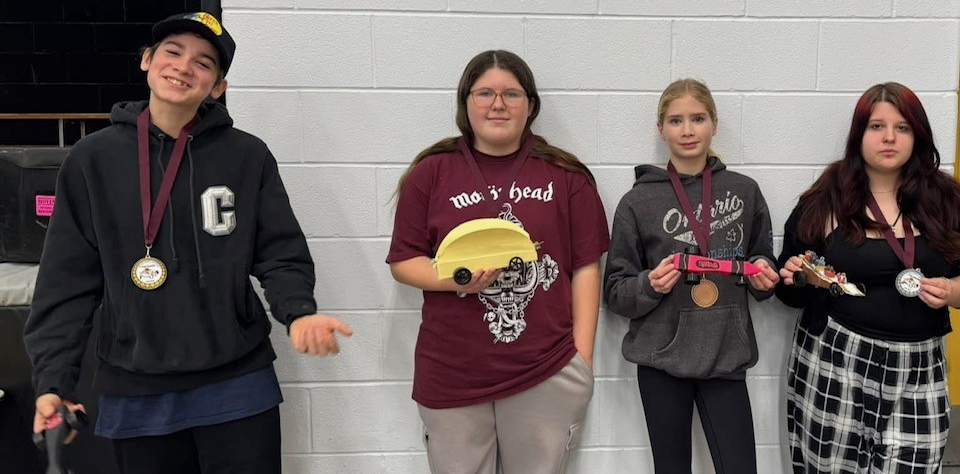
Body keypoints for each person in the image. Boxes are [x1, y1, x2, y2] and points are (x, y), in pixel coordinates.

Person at [24, 12, 351, 474]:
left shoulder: (247, 155)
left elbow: (280, 252)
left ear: (217, 86)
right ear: (146, 61)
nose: (183, 67)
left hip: (236, 379)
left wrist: (297, 311)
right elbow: (66, 282)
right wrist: (52, 381)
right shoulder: (90, 160)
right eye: (172, 52)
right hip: (134, 382)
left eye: (203, 63)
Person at [386, 50, 609, 474]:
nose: (498, 104)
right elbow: (403, 262)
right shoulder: (430, 172)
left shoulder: (567, 176)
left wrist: (582, 357)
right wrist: (457, 279)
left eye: (511, 93)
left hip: (546, 369)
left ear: (531, 104)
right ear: (465, 102)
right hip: (451, 372)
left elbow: (585, 267)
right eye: (484, 92)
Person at [775, 82, 960, 474]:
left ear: (918, 135)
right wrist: (795, 278)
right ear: (858, 134)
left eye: (903, 127)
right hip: (835, 359)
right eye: (876, 126)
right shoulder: (826, 199)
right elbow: (787, 287)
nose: (889, 137)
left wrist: (953, 291)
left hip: (919, 364)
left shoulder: (947, 200)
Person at [603, 78, 780, 474]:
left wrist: (764, 276)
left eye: (698, 118)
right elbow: (616, 291)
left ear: (714, 124)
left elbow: (762, 259)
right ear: (660, 128)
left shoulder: (745, 191)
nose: (687, 130)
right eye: (675, 120)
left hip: (726, 356)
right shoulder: (637, 201)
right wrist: (649, 284)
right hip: (661, 359)